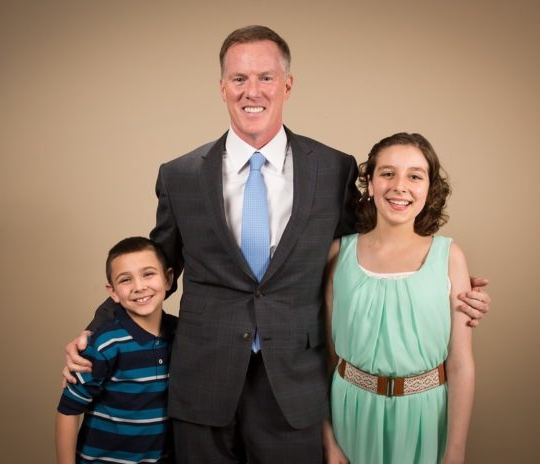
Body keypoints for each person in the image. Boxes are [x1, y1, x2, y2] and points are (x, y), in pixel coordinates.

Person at [63, 26, 491, 463]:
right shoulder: (180, 175)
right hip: (202, 386)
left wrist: (444, 289)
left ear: (287, 85)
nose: (253, 91)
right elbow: (156, 270)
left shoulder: (332, 169)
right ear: (222, 87)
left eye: (266, 77)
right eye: (239, 79)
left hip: (296, 388)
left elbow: (367, 250)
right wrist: (95, 332)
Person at [322, 133, 475, 463]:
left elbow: (461, 364)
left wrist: (456, 452)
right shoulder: (339, 254)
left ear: (429, 188)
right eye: (387, 173)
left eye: (415, 176)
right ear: (370, 184)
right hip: (351, 412)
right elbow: (326, 357)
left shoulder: (450, 257)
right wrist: (329, 440)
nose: (400, 186)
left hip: (425, 416)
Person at [55, 237, 177, 464]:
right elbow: (68, 410)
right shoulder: (105, 344)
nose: (139, 286)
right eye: (125, 280)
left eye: (148, 274)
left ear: (168, 278)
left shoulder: (181, 335)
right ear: (112, 292)